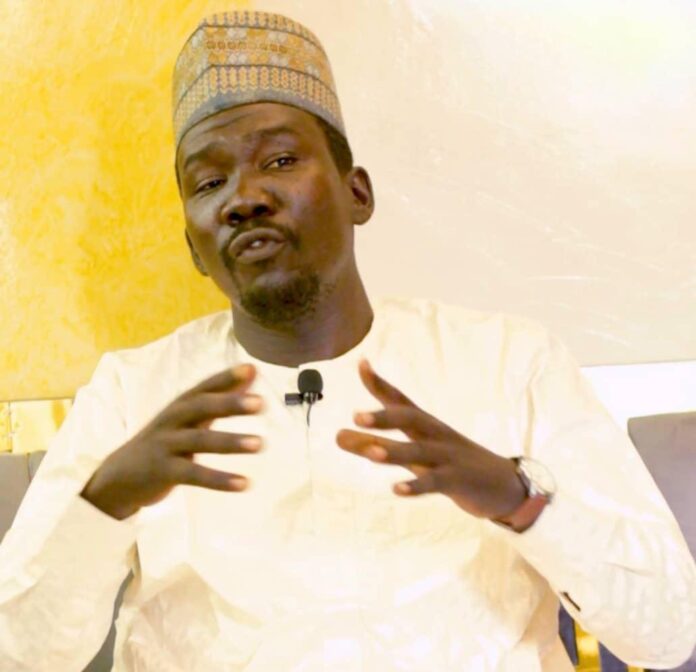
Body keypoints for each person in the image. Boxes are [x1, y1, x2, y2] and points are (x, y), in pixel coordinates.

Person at [1, 10, 694, 672]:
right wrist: (105, 500)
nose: (244, 198)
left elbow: (668, 632)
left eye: (279, 159)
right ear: (193, 246)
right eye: (210, 181)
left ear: (356, 193)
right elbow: (19, 657)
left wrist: (519, 499)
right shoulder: (132, 395)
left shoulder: (510, 364)